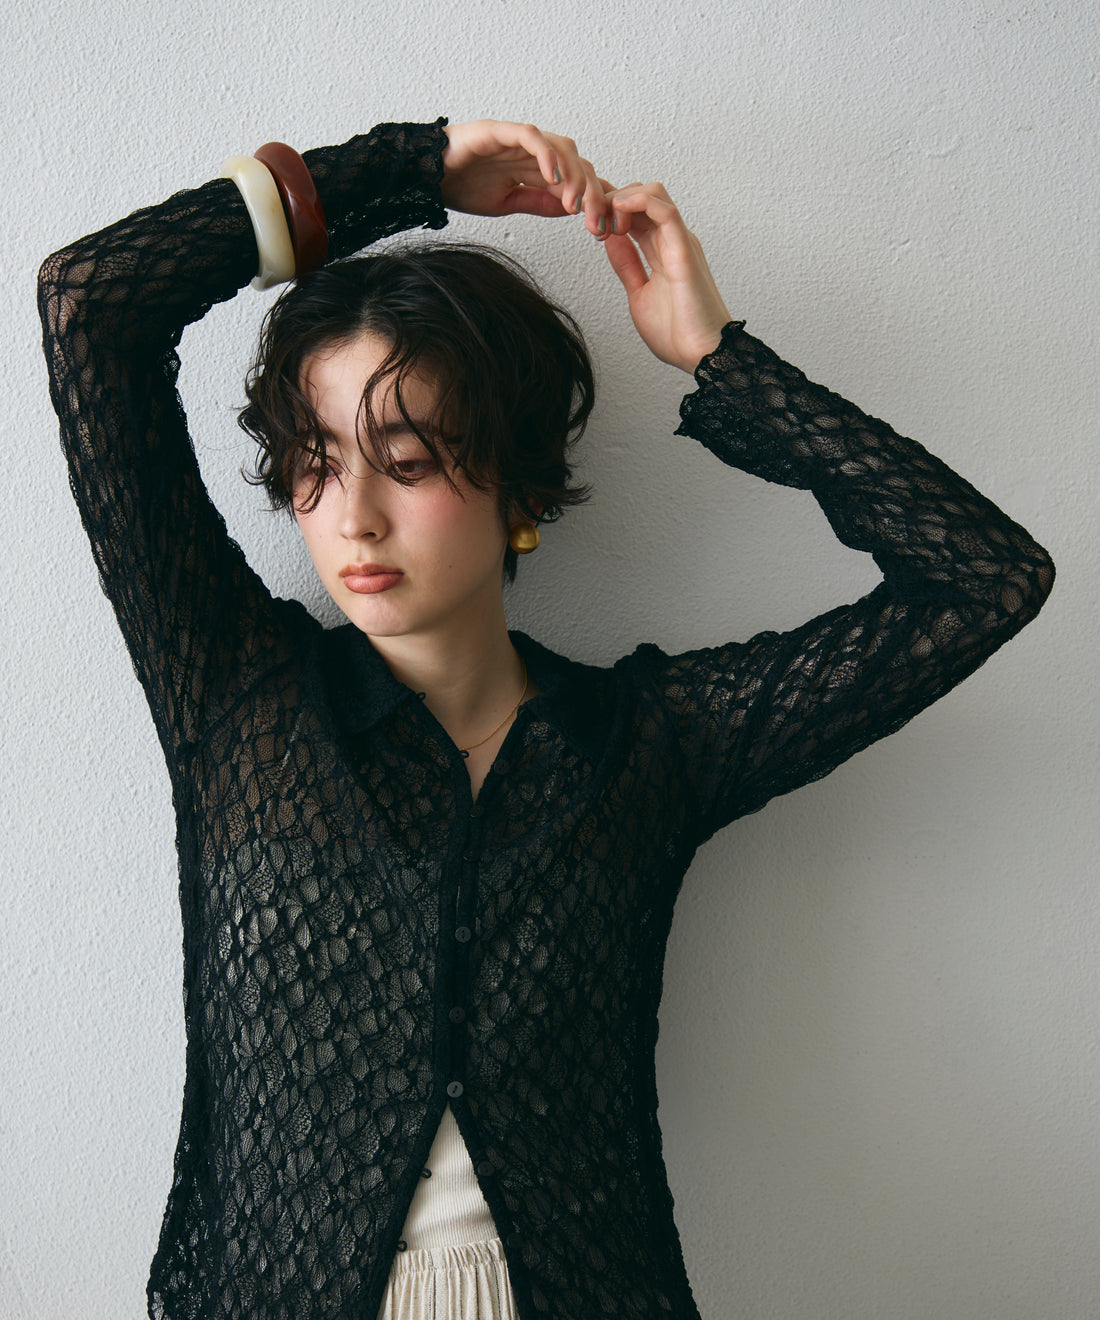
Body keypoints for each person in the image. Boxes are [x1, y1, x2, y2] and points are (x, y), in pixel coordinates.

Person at [38, 118, 1053, 1320]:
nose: (351, 518)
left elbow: (985, 580)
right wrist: (408, 172)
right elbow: (88, 302)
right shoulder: (233, 697)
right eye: (316, 459)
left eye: (405, 459)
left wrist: (718, 358)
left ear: (515, 483)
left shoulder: (647, 745)